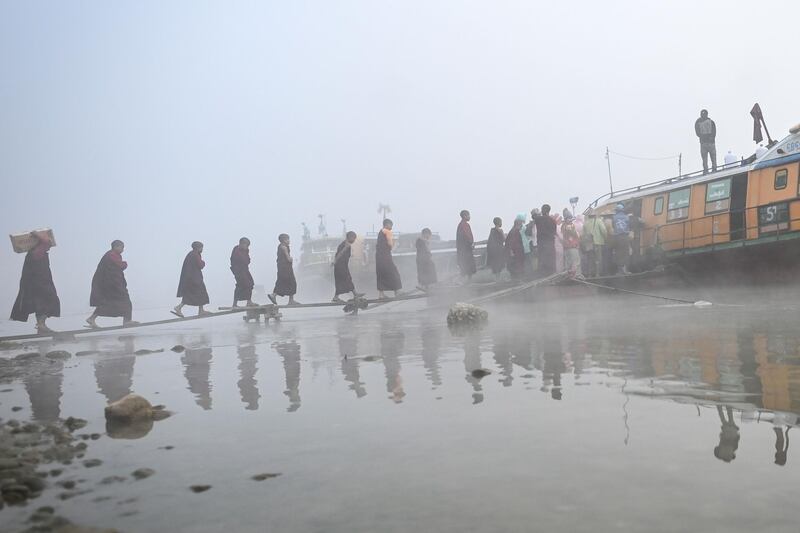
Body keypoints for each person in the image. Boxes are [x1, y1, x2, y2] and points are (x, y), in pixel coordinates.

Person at [10, 231, 60, 333]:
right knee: (52, 301)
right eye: (48, 245)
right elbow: (45, 241)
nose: (50, 247)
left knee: (40, 304)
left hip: (35, 284)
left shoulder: (34, 252)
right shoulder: (38, 251)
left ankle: (41, 326)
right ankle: (41, 324)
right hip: (40, 284)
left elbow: (45, 242)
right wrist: (37, 234)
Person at [87, 240, 136, 328]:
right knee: (125, 300)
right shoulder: (111, 255)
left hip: (110, 285)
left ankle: (91, 318)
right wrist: (125, 264)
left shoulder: (111, 255)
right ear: (116, 247)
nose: (123, 249)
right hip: (112, 285)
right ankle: (127, 320)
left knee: (107, 303)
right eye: (122, 247)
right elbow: (120, 265)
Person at [173, 241, 210, 317]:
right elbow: (200, 265)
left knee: (193, 295)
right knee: (200, 293)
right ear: (198, 248)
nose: (202, 249)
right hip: (194, 279)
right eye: (201, 247)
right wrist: (203, 262)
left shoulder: (191, 254)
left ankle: (199, 310)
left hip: (191, 278)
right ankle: (179, 307)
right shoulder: (195, 255)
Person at [269, 234, 299, 306]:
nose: (289, 241)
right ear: (283, 240)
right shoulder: (284, 247)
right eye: (287, 239)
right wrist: (291, 259)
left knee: (282, 282)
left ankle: (274, 295)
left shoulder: (281, 247)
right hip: (286, 268)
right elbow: (288, 259)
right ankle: (290, 300)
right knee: (292, 282)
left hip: (282, 268)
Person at [376, 219, 402, 299]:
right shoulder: (387, 231)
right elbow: (390, 244)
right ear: (386, 224)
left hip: (378, 257)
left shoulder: (380, 232)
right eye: (391, 225)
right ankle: (397, 292)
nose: (391, 227)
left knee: (381, 274)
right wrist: (394, 245)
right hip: (385, 256)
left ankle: (381, 294)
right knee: (393, 272)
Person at [332, 231, 360, 302]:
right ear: (350, 237)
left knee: (340, 281)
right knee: (347, 279)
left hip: (340, 265)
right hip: (341, 265)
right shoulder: (347, 245)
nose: (354, 240)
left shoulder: (343, 243)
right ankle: (355, 294)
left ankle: (336, 297)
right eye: (354, 238)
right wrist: (335, 261)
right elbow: (341, 253)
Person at [230, 237, 255, 308]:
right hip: (238, 271)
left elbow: (248, 260)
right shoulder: (236, 250)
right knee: (241, 285)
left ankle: (249, 302)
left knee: (250, 283)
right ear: (241, 243)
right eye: (246, 245)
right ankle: (235, 304)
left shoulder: (245, 250)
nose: (247, 247)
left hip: (245, 269)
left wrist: (247, 253)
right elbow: (243, 260)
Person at [534, 204, 557, 276]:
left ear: (542, 210)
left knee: (541, 260)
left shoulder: (538, 219)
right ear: (549, 211)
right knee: (550, 261)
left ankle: (541, 277)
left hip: (541, 243)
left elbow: (534, 216)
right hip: (550, 243)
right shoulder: (552, 221)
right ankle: (551, 276)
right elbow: (554, 232)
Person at [456, 210, 476, 282]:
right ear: (465, 216)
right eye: (468, 215)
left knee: (468, 265)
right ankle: (461, 281)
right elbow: (467, 235)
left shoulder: (463, 224)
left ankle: (468, 281)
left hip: (465, 249)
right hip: (465, 249)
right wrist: (471, 243)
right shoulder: (463, 225)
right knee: (466, 265)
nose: (469, 217)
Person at [695, 109, 717, 174]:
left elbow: (697, 133)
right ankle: (714, 168)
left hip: (704, 143)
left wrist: (703, 137)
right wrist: (711, 138)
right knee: (712, 157)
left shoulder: (698, 122)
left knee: (705, 158)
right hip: (710, 143)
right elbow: (714, 132)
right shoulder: (711, 122)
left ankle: (706, 170)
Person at [612, 204, 631, 274]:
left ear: (616, 210)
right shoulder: (627, 217)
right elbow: (629, 226)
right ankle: (626, 270)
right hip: (625, 237)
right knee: (626, 253)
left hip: (617, 237)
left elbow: (613, 226)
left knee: (618, 253)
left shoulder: (614, 217)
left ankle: (619, 271)